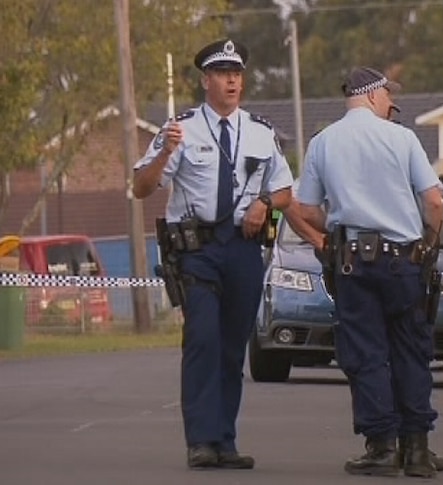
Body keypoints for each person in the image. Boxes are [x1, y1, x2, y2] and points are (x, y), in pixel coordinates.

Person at [132, 38, 294, 469]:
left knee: (232, 347)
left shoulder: (260, 131)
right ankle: (200, 439)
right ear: (206, 80)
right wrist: (165, 150)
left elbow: (285, 190)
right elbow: (141, 187)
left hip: (242, 249)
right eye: (223, 74)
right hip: (198, 250)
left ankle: (225, 439)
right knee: (203, 340)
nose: (232, 81)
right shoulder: (181, 128)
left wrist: (264, 203)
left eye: (237, 74)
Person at [295, 66, 443, 478]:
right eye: (387, 96)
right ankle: (416, 449)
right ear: (375, 94)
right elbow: (434, 202)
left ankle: (381, 447)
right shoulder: (402, 138)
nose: (389, 104)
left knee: (366, 355)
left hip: (353, 262)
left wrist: (338, 227)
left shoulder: (323, 142)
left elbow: (306, 209)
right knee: (411, 350)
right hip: (405, 262)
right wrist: (429, 246)